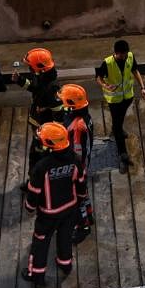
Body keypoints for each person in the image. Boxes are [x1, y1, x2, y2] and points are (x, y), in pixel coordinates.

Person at [21, 122, 87, 285]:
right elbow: (81, 184)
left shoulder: (42, 167)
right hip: (69, 209)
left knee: (40, 242)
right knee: (65, 237)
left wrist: (29, 207)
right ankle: (65, 264)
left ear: (50, 144)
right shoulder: (75, 159)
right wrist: (80, 199)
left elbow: (34, 191)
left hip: (48, 214)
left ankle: (36, 274)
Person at [95, 40, 145, 174]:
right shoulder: (107, 63)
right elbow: (98, 78)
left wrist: (143, 88)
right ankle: (123, 155)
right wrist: (105, 86)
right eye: (122, 55)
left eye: (125, 54)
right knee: (118, 127)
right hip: (114, 100)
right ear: (116, 53)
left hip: (127, 97)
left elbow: (135, 71)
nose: (124, 57)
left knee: (120, 119)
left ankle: (116, 129)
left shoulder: (130, 56)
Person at [12, 48, 63, 185]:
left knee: (40, 157)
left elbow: (58, 114)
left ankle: (39, 184)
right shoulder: (41, 76)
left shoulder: (52, 88)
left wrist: (51, 137)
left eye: (30, 66)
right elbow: (35, 87)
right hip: (38, 124)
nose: (29, 68)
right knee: (35, 155)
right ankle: (34, 180)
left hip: (46, 132)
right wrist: (21, 81)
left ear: (39, 68)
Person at [58, 84, 94, 243]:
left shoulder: (78, 125)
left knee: (76, 198)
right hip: (82, 166)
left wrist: (71, 170)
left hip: (77, 168)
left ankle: (83, 226)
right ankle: (89, 213)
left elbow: (78, 153)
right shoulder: (83, 117)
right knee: (83, 192)